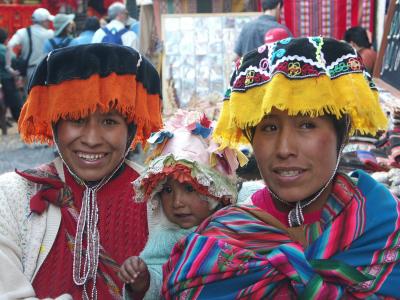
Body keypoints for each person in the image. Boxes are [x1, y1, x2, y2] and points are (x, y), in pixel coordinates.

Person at [162, 37, 400, 298]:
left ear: (342, 135)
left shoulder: (380, 221)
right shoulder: (222, 239)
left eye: (307, 124)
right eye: (269, 128)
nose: (285, 148)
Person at [0, 43, 162, 299]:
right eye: (76, 120)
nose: (92, 139)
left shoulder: (159, 199)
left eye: (109, 122)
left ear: (130, 129)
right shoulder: (11, 195)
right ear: (55, 124)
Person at [118, 110, 243, 299]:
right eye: (167, 191)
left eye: (190, 189)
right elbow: (159, 277)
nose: (177, 203)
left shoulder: (240, 220)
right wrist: (144, 281)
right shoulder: (165, 237)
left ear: (215, 191)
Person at [5, 8, 54, 85]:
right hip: (47, 71)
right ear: (43, 21)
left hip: (29, 72)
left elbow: (9, 46)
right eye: (48, 21)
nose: (49, 23)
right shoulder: (51, 34)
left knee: (30, 95)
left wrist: (9, 67)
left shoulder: (23, 32)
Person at [0, 27, 22, 124]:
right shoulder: (4, 49)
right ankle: (21, 122)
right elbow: (14, 61)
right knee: (15, 103)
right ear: (5, 39)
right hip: (6, 79)